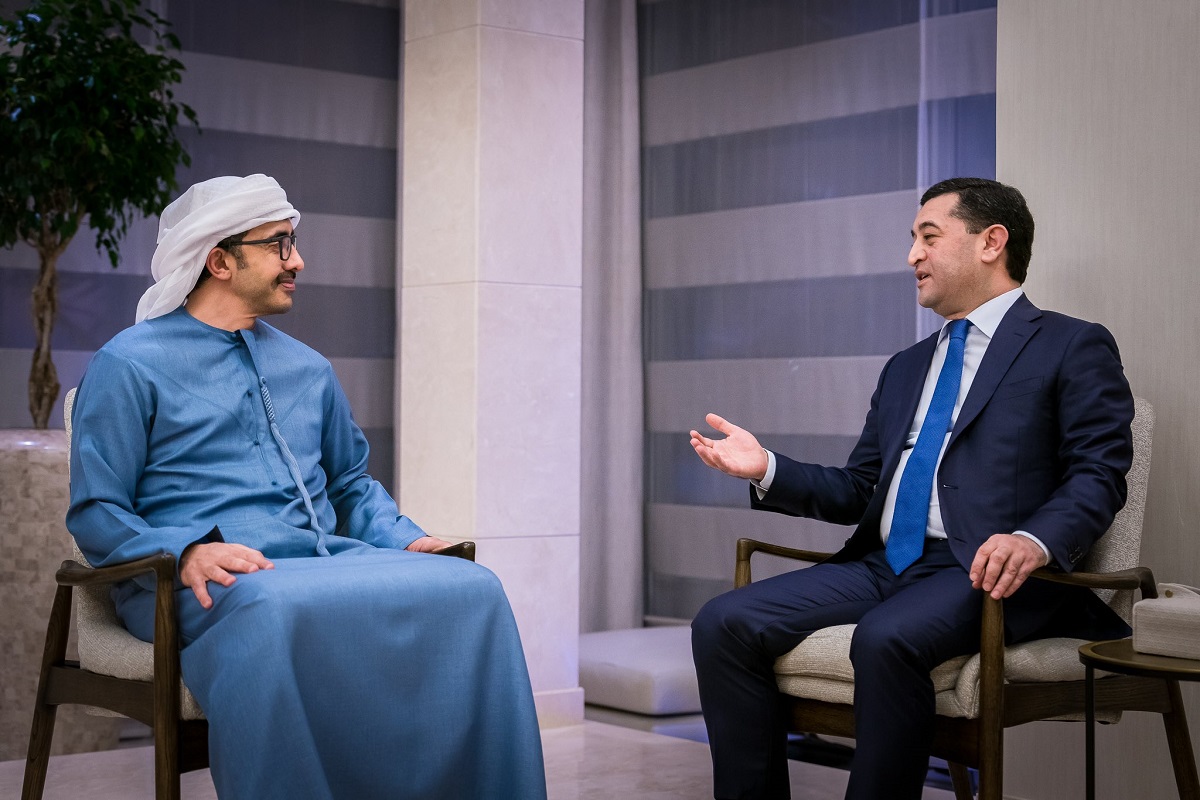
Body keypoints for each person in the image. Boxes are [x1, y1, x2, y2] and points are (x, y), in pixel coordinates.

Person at [67, 174, 547, 799]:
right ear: (219, 261)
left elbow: (349, 485)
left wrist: (406, 539)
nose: (298, 262)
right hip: (193, 581)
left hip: (321, 560)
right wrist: (186, 552)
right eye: (279, 244)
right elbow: (97, 508)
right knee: (270, 606)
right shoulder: (128, 363)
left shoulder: (308, 367)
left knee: (474, 587)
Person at [688, 177, 1134, 800]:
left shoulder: (1070, 344)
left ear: (991, 242)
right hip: (885, 564)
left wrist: (1033, 540)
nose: (911, 256)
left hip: (986, 571)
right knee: (723, 621)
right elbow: (860, 489)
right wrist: (766, 468)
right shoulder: (905, 367)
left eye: (929, 237)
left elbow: (1098, 471)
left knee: (886, 638)